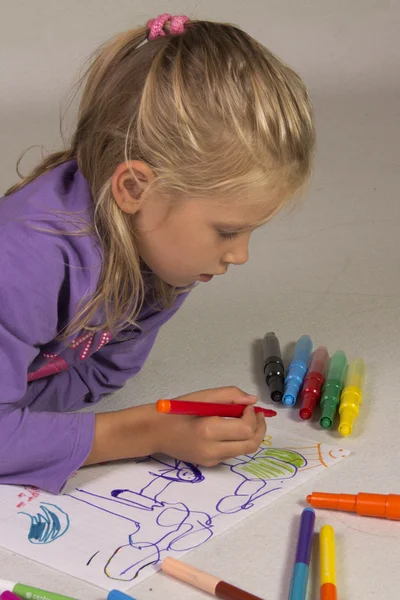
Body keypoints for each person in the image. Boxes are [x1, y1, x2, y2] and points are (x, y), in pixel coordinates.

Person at [0, 14, 315, 493]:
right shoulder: (22, 264)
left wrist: (24, 421)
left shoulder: (161, 259)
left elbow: (99, 372)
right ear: (133, 188)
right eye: (227, 230)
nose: (241, 255)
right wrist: (143, 431)